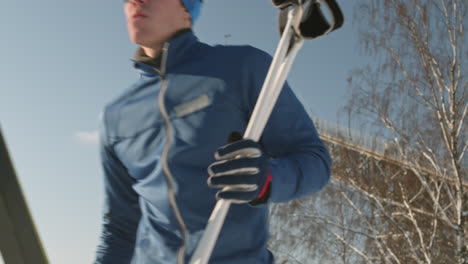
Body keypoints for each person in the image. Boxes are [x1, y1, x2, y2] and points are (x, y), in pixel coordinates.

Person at [94, 0, 331, 263]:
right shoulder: (116, 115)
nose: (135, 2)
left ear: (186, 9)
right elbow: (120, 230)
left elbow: (314, 161)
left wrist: (268, 180)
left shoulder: (242, 68)